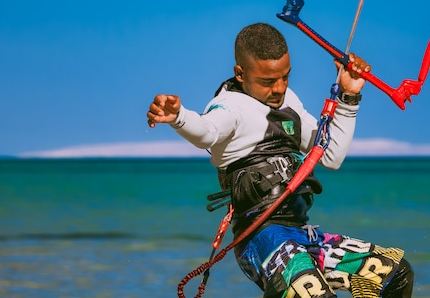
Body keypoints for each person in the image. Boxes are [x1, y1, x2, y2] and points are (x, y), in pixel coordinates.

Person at [147, 22, 414, 298]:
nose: (278, 89)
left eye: (285, 77)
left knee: (396, 273)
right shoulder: (229, 108)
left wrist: (349, 96)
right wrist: (179, 117)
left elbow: (331, 155)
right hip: (262, 241)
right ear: (240, 74)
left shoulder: (289, 102)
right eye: (267, 81)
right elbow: (206, 132)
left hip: (301, 235)